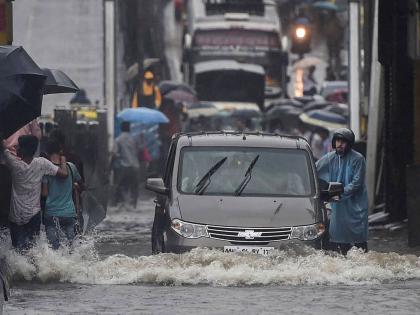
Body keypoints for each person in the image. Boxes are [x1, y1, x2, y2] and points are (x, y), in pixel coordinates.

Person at [0, 135, 68, 251]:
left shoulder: (14, 165)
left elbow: (4, 149)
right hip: (34, 215)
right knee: (32, 250)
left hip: (16, 216)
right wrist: (64, 161)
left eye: (19, 146)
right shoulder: (42, 163)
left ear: (24, 150)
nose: (16, 148)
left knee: (18, 250)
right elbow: (64, 174)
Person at [316, 128, 368, 255]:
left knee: (358, 242)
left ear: (349, 144)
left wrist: (339, 192)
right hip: (338, 205)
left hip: (355, 205)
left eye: (343, 141)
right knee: (335, 239)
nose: (340, 144)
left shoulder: (358, 159)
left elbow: (356, 183)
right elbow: (314, 170)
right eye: (338, 140)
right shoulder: (330, 158)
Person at [42, 140, 83, 249]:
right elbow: (81, 184)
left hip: (51, 214)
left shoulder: (46, 169)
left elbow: (45, 193)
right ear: (60, 151)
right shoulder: (71, 166)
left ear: (46, 152)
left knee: (54, 248)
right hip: (69, 213)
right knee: (72, 248)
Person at [112, 121, 140, 207]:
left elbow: (115, 153)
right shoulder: (134, 139)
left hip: (124, 167)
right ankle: (133, 204)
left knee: (120, 186)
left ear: (121, 128)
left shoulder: (118, 139)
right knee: (134, 187)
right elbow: (138, 151)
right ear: (129, 128)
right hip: (135, 166)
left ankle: (119, 204)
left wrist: (110, 166)